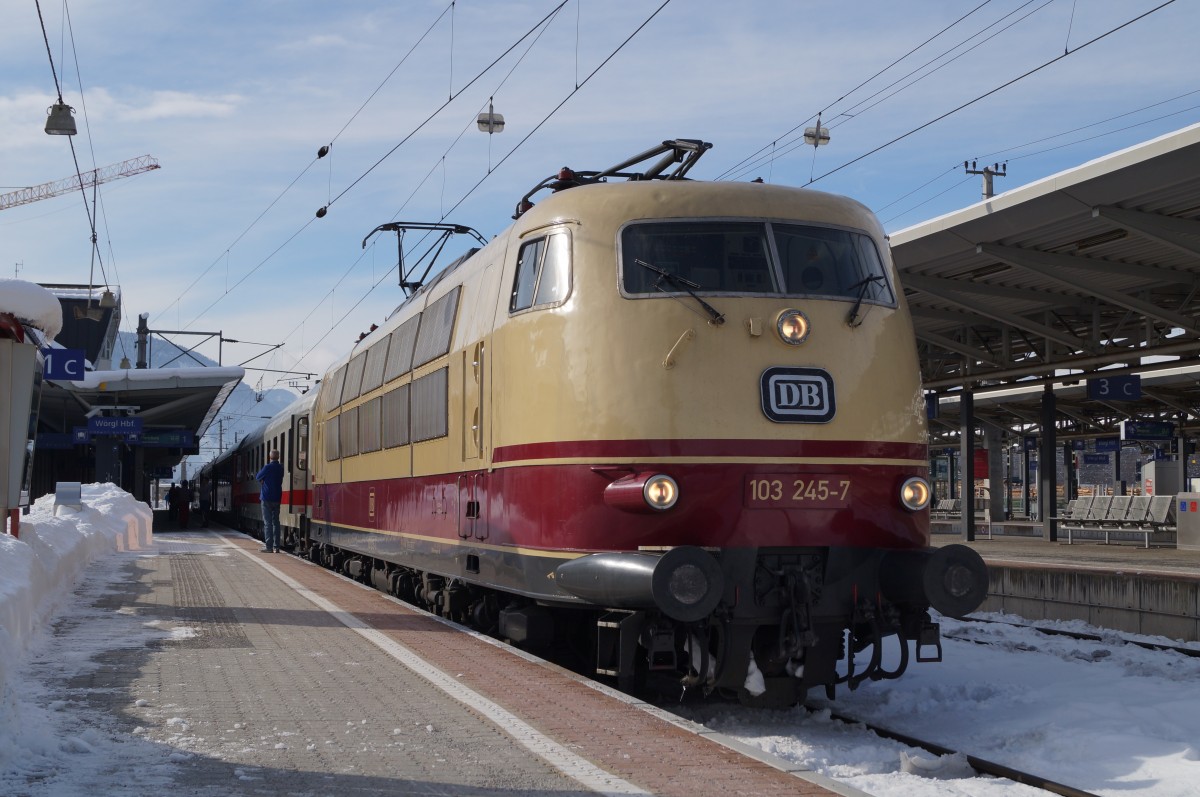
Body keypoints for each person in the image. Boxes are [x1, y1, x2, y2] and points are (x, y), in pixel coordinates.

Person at [256, 450, 284, 553]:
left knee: (268, 523)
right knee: (276, 522)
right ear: (278, 457)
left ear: (270, 457)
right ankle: (277, 547)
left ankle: (269, 547)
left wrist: (262, 480)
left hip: (266, 498)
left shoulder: (267, 467)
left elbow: (258, 476)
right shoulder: (281, 468)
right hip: (277, 497)